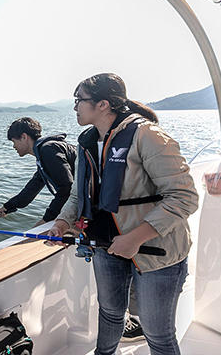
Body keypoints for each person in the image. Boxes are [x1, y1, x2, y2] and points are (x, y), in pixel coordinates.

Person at [50, 73, 198, 355]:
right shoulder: (88, 142)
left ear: (103, 104)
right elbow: (79, 194)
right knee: (109, 314)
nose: (75, 107)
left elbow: (184, 197)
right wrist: (62, 222)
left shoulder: (149, 136)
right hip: (106, 246)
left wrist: (135, 238)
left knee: (158, 334)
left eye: (79, 100)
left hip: (156, 251)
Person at [0, 117, 76, 227]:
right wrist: (8, 206)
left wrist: (46, 219)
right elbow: (32, 188)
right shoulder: (43, 154)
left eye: (14, 141)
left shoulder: (48, 150)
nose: (14, 146)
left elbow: (66, 187)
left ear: (24, 137)